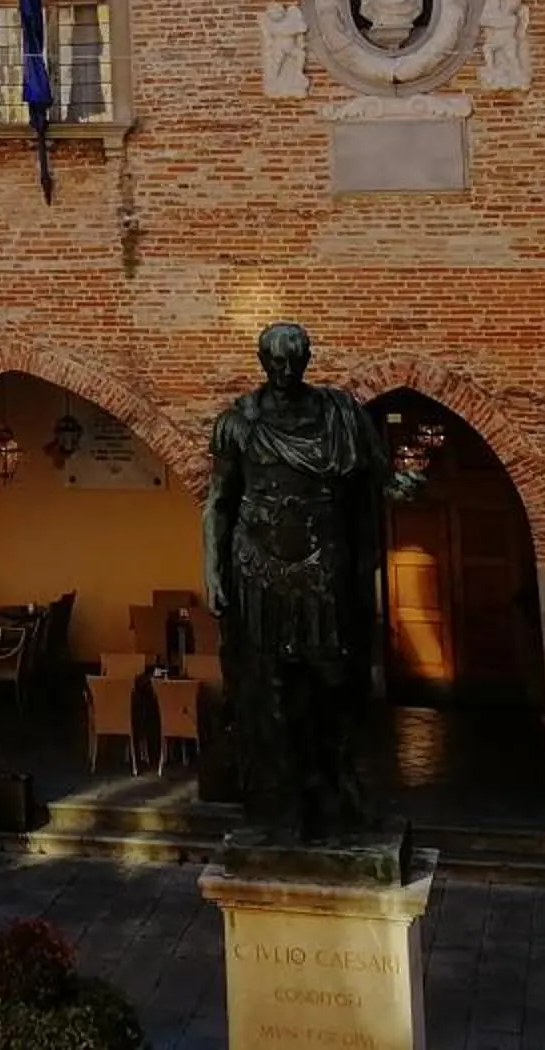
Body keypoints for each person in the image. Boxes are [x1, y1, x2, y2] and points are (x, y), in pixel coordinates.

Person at [203, 322, 389, 838]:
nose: (285, 372)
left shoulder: (338, 415)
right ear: (263, 362)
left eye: (294, 362)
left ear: (307, 360)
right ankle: (280, 798)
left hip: (322, 564)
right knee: (270, 685)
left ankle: (334, 784)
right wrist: (213, 570)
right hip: (256, 567)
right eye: (275, 363)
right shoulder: (237, 423)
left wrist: (400, 484)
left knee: (332, 679)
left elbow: (375, 478)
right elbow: (219, 502)